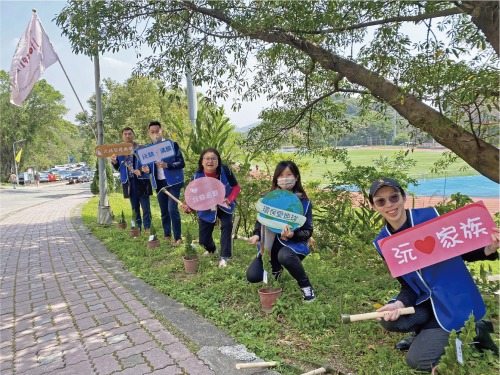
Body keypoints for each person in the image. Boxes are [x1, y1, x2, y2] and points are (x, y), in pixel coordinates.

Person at [369, 177, 499, 372]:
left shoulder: (430, 217)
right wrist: (399, 303)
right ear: (373, 206)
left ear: (403, 197)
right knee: (389, 318)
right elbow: (408, 285)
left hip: (454, 298)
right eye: (381, 201)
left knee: (417, 361)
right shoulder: (384, 243)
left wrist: (488, 249)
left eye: (394, 197)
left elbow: (461, 250)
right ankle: (424, 331)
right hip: (427, 300)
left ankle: (476, 330)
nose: (389, 205)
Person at [246, 161, 316, 302]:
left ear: (296, 178)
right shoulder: (269, 199)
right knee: (253, 276)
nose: (285, 178)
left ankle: (306, 287)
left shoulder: (304, 203)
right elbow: (260, 221)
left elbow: (308, 231)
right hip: (269, 247)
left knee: (285, 255)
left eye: (289, 174)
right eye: (281, 175)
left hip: (292, 247)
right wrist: (256, 235)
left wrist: (293, 234)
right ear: (276, 178)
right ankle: (275, 268)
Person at [180, 148, 241, 268]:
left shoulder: (225, 171)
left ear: (218, 161)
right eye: (207, 158)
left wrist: (229, 199)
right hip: (207, 208)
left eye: (214, 158)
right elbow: (192, 199)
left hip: (224, 205)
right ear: (202, 162)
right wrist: (187, 207)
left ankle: (224, 257)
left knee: (227, 226)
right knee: (203, 241)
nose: (210, 161)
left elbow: (236, 187)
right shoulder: (197, 178)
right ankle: (212, 249)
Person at [141, 121, 185, 247]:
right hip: (159, 182)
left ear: (162, 131)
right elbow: (149, 168)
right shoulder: (148, 150)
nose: (155, 134)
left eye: (157, 131)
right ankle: (167, 235)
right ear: (149, 134)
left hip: (173, 182)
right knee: (164, 211)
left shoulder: (172, 145)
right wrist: (147, 170)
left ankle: (178, 238)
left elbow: (181, 163)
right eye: (152, 132)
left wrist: (167, 165)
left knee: (172, 209)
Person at [110, 127, 152, 234]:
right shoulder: (119, 151)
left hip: (142, 180)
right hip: (129, 182)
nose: (127, 136)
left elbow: (148, 164)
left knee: (145, 206)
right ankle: (138, 226)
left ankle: (147, 227)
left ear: (133, 135)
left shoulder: (141, 148)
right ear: (122, 136)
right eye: (125, 134)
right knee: (134, 207)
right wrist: (114, 162)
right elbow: (118, 168)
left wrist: (141, 171)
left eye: (129, 134)